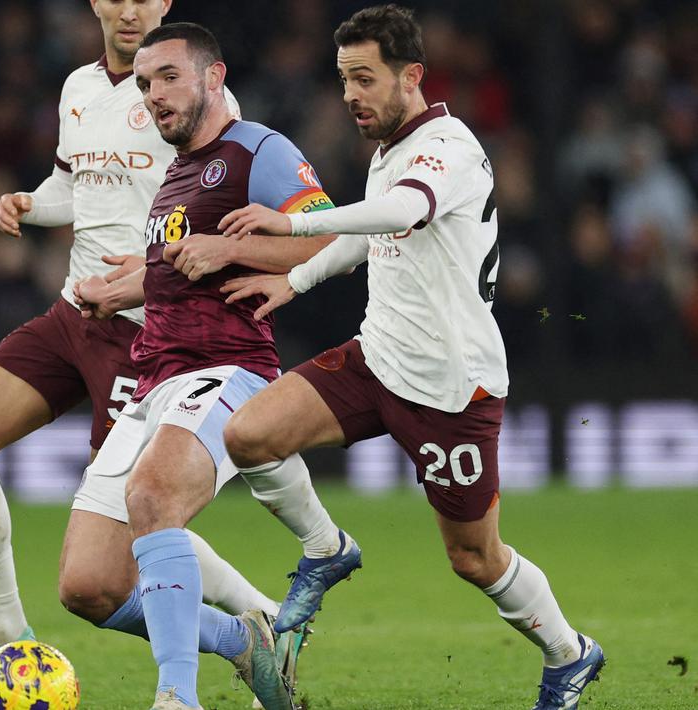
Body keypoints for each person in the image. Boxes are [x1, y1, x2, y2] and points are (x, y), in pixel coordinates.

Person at [217, 6, 605, 709]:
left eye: (364, 78)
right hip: (376, 358)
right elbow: (373, 232)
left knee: (473, 558)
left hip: (451, 390)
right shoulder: (389, 148)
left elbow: (401, 213)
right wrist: (295, 279)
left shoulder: (445, 147)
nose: (350, 95)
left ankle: (569, 653)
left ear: (411, 76)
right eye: (342, 81)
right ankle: (325, 548)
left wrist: (291, 223)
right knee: (248, 435)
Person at [0, 2, 294, 705]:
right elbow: (78, 187)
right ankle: (2, 625)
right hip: (73, 311)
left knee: (137, 520)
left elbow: (220, 195)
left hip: (146, 328)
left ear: (164, 5)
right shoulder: (78, 88)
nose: (128, 9)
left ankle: (264, 619)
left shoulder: (190, 93)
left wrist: (153, 263)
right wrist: (30, 205)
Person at [70, 22, 337, 710]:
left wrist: (229, 250)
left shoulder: (257, 150)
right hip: (153, 380)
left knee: (154, 500)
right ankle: (243, 639)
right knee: (88, 586)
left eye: (168, 77)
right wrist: (118, 290)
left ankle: (174, 698)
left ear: (213, 77)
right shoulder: (175, 176)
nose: (153, 95)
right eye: (143, 84)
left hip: (228, 369)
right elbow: (180, 271)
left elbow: (336, 239)